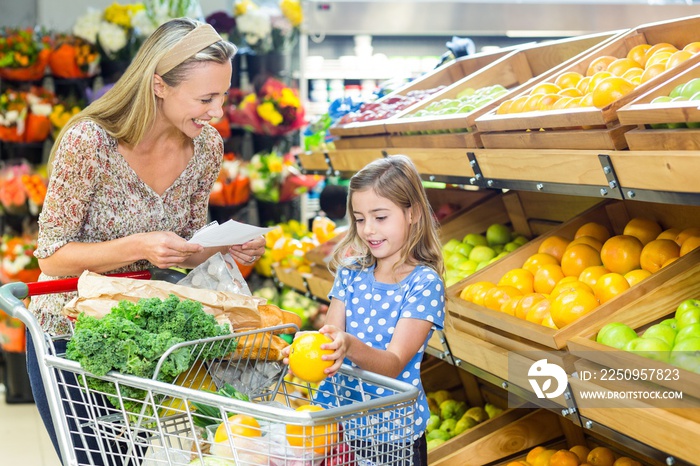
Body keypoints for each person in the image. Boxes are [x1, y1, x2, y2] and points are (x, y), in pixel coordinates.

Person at [26, 18, 265, 465]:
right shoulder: (90, 142)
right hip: (71, 337)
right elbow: (54, 257)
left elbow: (186, 245)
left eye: (223, 96)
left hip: (144, 341)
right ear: (159, 85)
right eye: (205, 98)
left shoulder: (206, 147)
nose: (217, 111)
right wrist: (139, 245)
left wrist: (224, 246)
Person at [285, 155, 445, 466]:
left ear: (412, 213)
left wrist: (350, 346)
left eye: (380, 217)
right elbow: (330, 339)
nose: (368, 230)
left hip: (392, 438)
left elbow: (393, 364)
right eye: (359, 219)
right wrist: (306, 352)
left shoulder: (424, 284)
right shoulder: (351, 271)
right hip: (337, 425)